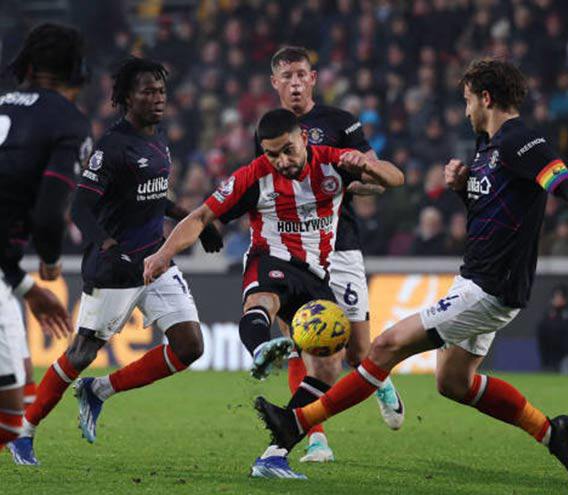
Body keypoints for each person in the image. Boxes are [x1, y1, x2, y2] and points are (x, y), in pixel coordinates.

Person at [253, 59, 568, 485]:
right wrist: (464, 189)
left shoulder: (523, 140)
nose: (465, 111)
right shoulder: (487, 146)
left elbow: (566, 184)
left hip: (491, 289)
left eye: (467, 100)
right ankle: (551, 432)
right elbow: (495, 215)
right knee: (453, 382)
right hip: (474, 280)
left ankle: (295, 424)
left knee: (387, 345)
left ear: (486, 98)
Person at [142, 108, 404, 479]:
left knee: (330, 365)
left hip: (316, 275)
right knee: (263, 301)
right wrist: (163, 254)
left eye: (288, 150)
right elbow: (201, 216)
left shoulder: (333, 163)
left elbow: (396, 178)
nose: (282, 161)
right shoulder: (253, 177)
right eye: (272, 154)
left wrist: (367, 164)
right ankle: (261, 349)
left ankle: (275, 453)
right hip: (271, 259)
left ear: (304, 140)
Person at [9, 56, 223, 465]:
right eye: (147, 92)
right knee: (80, 355)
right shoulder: (111, 147)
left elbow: (154, 195)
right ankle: (25, 430)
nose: (158, 99)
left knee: (190, 346)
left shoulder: (157, 139)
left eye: (161, 91)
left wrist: (196, 220)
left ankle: (99, 390)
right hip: (115, 268)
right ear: (126, 97)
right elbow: (80, 207)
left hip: (155, 261)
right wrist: (108, 246)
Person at [255, 46, 406, 463]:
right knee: (300, 343)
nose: (295, 82)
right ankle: (316, 437)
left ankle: (381, 381)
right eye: (286, 76)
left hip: (340, 247)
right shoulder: (267, 130)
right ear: (275, 83)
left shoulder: (341, 123)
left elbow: (378, 178)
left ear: (314, 78)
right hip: (291, 252)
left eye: (302, 74)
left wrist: (347, 179)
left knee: (358, 351)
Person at [0, 23, 90, 453]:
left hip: (4, 268)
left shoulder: (1, 103)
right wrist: (46, 268)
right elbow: (49, 215)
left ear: (29, 65)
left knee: (15, 411)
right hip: (5, 269)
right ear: (76, 72)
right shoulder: (65, 120)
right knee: (9, 417)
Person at [536, 285, 568, 373]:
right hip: (553, 356)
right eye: (555, 297)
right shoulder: (549, 313)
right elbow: (542, 332)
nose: (557, 299)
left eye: (559, 297)